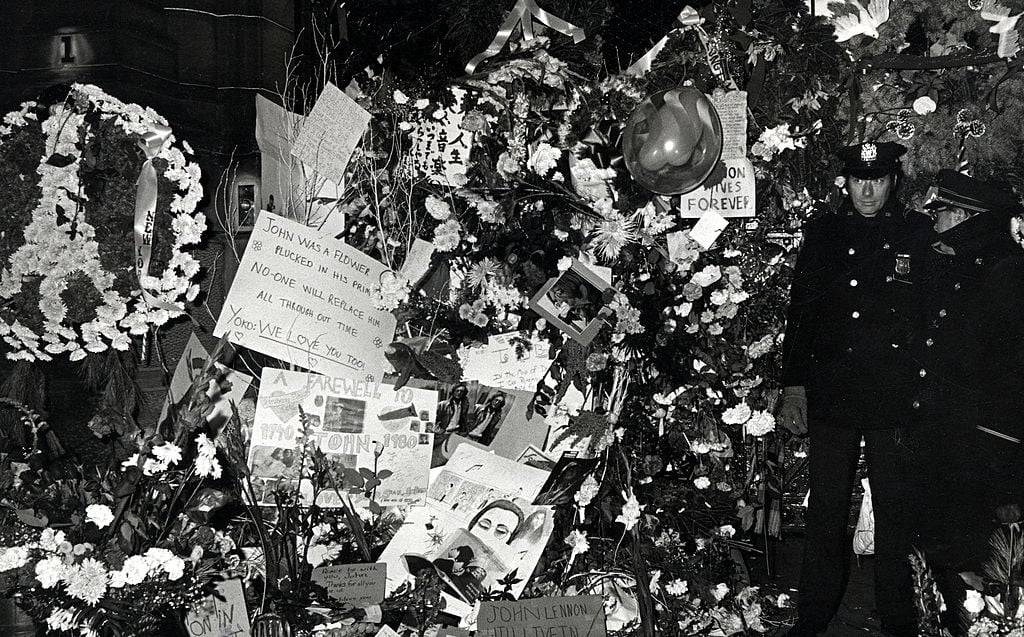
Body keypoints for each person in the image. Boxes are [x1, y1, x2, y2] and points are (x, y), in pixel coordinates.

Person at [779, 141, 933, 637]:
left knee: (894, 510)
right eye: (858, 179)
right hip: (834, 390)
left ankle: (899, 617)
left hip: (893, 395)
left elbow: (931, 318)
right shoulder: (824, 233)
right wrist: (794, 386)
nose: (867, 190)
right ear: (844, 182)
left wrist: (925, 389)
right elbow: (801, 313)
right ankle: (814, 614)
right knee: (825, 509)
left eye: (878, 179)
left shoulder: (916, 233)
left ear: (893, 182)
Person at [907, 170, 1024, 628]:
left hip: (982, 448)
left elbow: (1013, 375)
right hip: (947, 439)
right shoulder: (961, 263)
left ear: (963, 215)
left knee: (978, 568)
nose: (933, 220)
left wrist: (1009, 474)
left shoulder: (1006, 273)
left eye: (939, 212)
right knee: (946, 558)